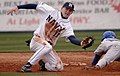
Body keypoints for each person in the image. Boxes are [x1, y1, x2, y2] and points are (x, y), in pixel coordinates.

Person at [7, 2, 93, 72]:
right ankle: (27, 65)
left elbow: (71, 38)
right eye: (67, 9)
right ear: (62, 8)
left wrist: (81, 43)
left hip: (45, 47)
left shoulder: (68, 26)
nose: (68, 11)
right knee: (48, 46)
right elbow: (35, 6)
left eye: (70, 10)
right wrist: (18, 7)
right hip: (37, 40)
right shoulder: (51, 11)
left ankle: (44, 64)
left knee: (58, 67)